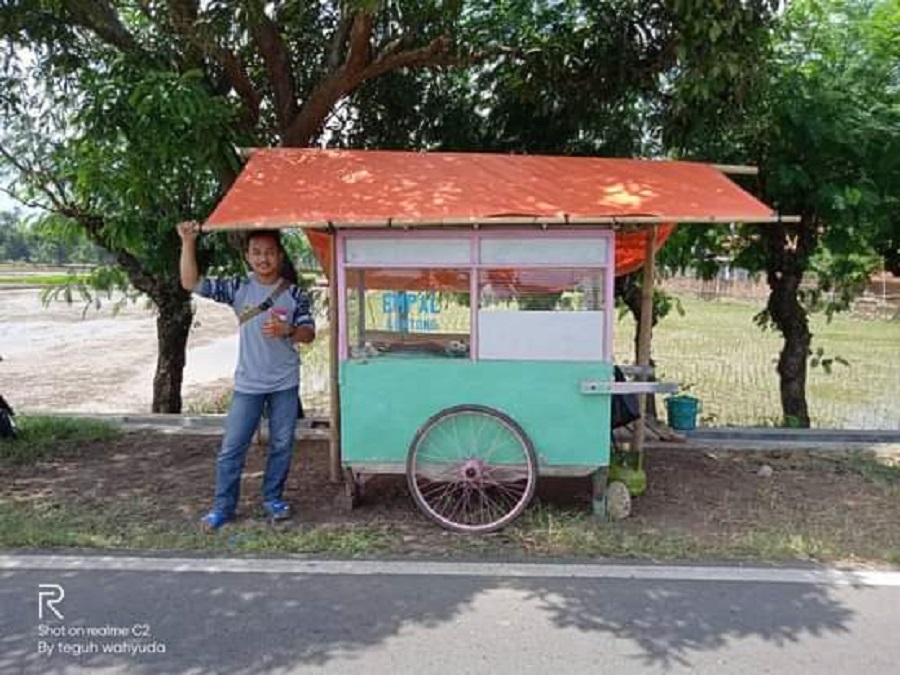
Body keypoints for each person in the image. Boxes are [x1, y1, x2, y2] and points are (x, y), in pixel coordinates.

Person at [177, 221, 316, 530]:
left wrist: (289, 330)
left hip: (285, 383)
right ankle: (223, 507)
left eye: (269, 252)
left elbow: (309, 334)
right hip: (248, 384)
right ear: (248, 257)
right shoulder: (238, 288)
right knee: (232, 448)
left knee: (282, 445)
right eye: (257, 252)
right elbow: (191, 283)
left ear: (280, 256)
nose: (263, 258)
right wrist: (188, 242)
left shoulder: (295, 294)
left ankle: (273, 500)